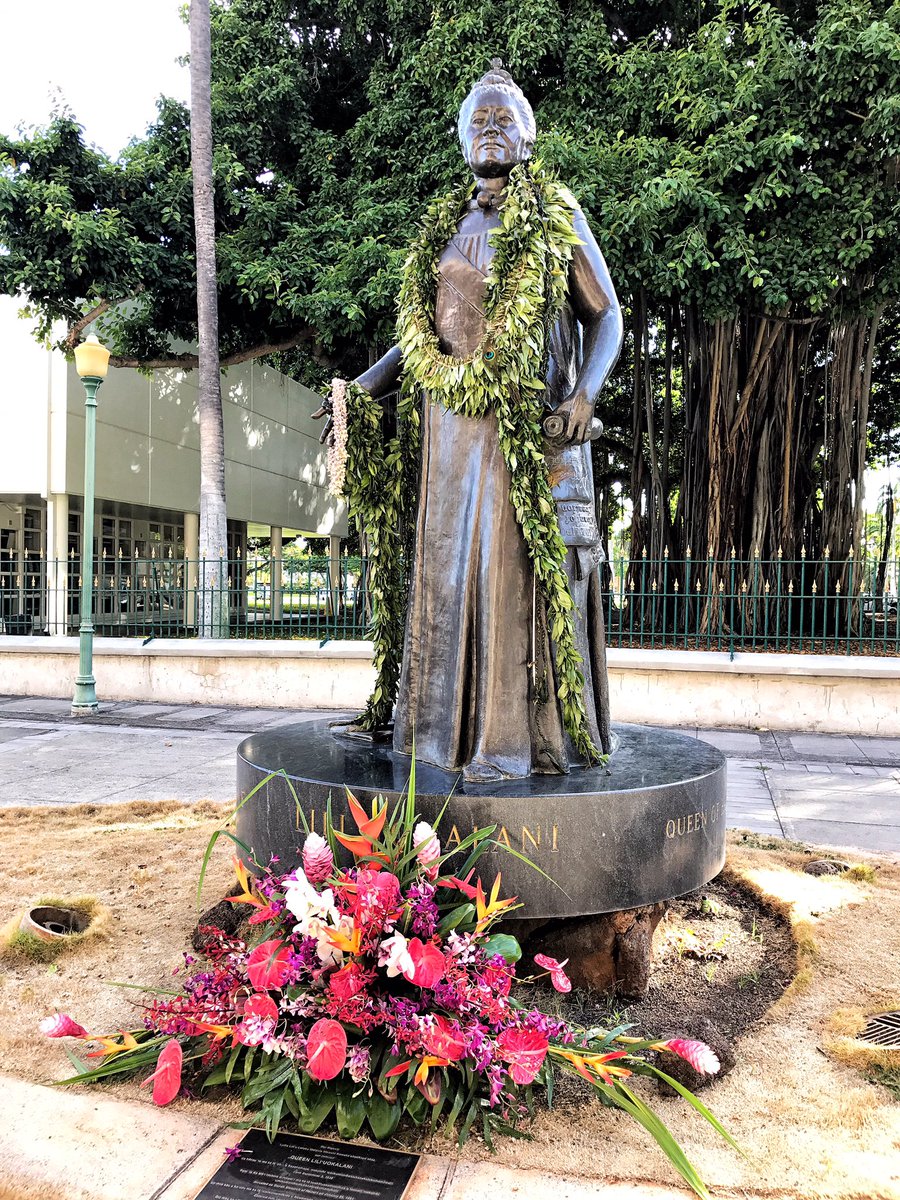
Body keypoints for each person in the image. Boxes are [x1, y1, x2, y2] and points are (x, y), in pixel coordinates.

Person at [317, 62, 622, 782]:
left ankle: (514, 743)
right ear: (460, 137)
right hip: (448, 433)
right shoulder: (443, 229)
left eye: (503, 118)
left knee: (511, 574)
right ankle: (435, 737)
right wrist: (364, 386)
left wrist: (584, 397)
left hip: (519, 426)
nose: (490, 128)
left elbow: (604, 313)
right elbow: (425, 334)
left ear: (527, 136)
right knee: (448, 574)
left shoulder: (556, 215)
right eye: (477, 118)